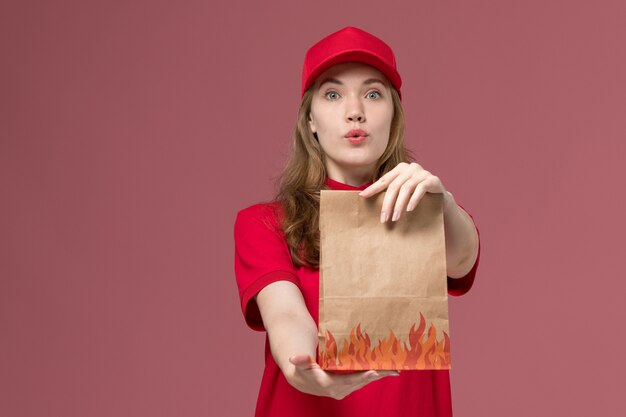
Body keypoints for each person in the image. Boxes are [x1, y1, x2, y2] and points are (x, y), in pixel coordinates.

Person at [233, 26, 481, 417]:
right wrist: (304, 366)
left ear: (394, 116)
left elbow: (462, 259)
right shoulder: (264, 223)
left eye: (373, 93)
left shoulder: (425, 210)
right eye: (333, 94)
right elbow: (285, 315)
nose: (355, 111)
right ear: (310, 120)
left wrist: (443, 203)